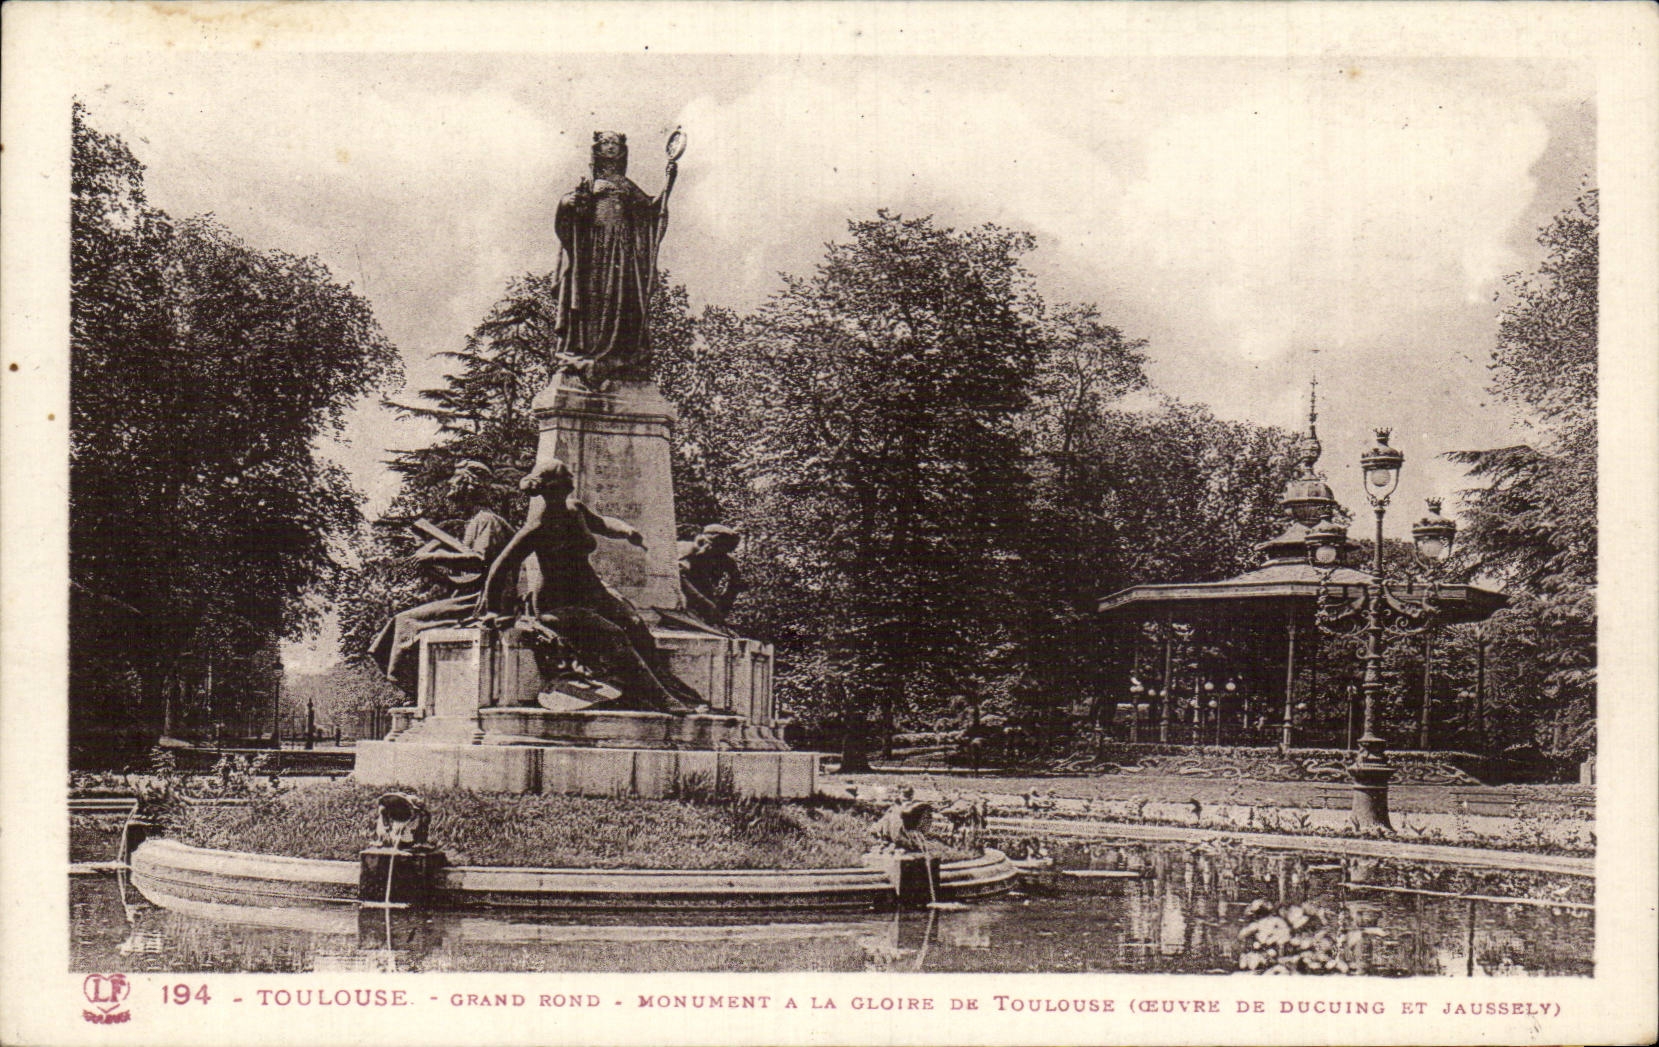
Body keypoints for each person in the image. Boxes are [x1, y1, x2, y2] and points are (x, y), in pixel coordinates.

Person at [474, 460, 703, 714]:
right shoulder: (539, 526)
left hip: (593, 592)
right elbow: (501, 566)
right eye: (567, 478)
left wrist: (626, 531)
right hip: (560, 603)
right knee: (613, 634)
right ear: (555, 488)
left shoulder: (575, 510)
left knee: (636, 625)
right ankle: (658, 697)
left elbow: (602, 523)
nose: (572, 481)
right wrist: (493, 610)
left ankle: (667, 686)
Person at [369, 461, 512, 695]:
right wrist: (434, 570)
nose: (449, 492)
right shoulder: (475, 523)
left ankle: (416, 690)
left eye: (454, 486)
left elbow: (478, 561)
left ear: (468, 489)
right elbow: (466, 578)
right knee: (400, 622)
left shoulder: (487, 520)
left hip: (483, 602)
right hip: (470, 596)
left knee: (405, 622)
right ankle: (416, 690)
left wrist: (436, 556)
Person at [552, 130, 678, 383]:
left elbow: (652, 211)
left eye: (616, 143)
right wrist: (569, 203)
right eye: (606, 142)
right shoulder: (589, 182)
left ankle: (617, 354)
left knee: (620, 301)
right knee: (591, 300)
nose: (611, 147)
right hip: (594, 249)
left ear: (622, 150)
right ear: (597, 148)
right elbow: (568, 211)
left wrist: (669, 182)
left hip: (621, 251)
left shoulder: (626, 185)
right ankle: (585, 350)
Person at [678, 523, 747, 629]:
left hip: (703, 598)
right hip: (680, 597)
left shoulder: (725, 560)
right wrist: (705, 603)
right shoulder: (688, 550)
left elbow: (736, 583)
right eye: (718, 551)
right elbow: (680, 579)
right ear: (707, 544)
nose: (721, 556)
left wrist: (723, 607)